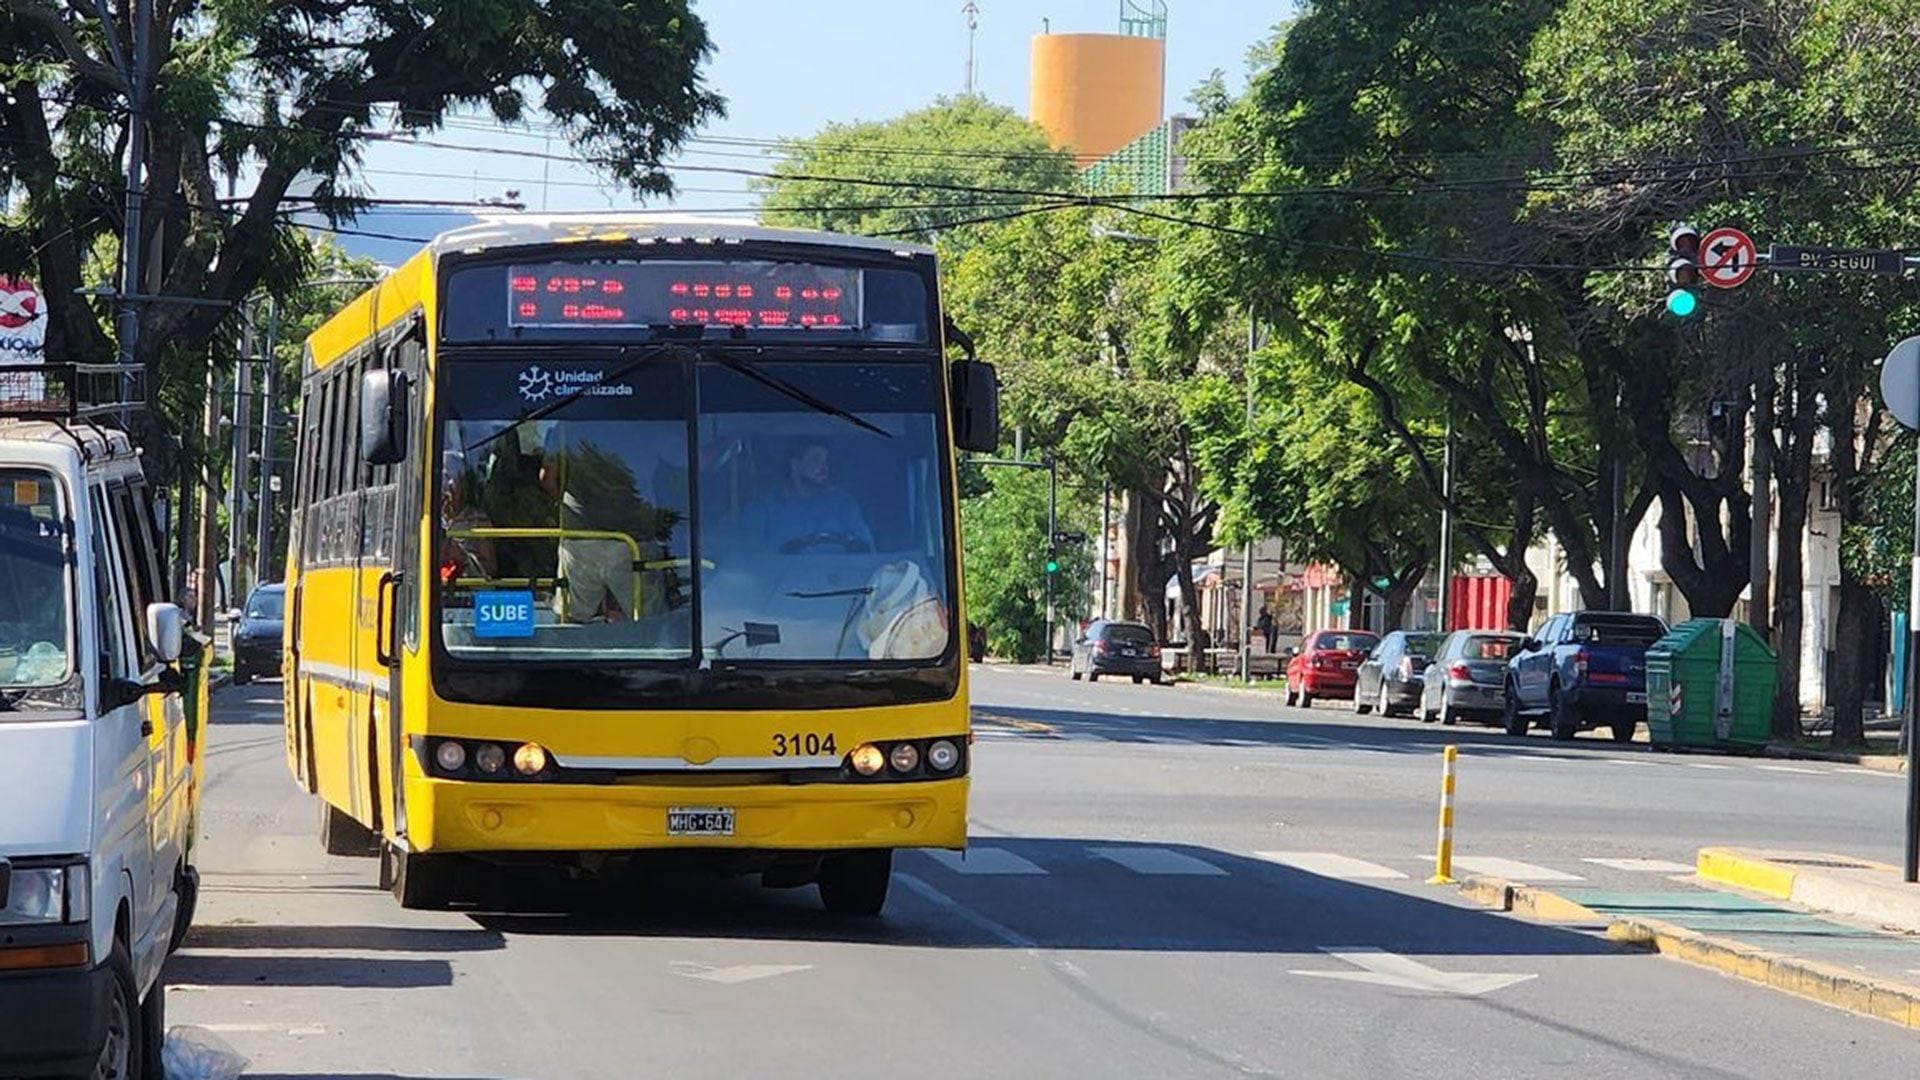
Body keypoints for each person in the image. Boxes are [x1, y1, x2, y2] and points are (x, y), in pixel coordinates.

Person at [741, 440, 875, 554]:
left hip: (844, 582)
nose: (824, 467)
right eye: (816, 459)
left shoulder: (844, 504)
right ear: (795, 465)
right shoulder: (764, 508)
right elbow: (750, 560)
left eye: (826, 461)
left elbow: (866, 551)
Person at [441, 452, 496, 580]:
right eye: (443, 480)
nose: (447, 489)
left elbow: (490, 574)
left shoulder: (478, 521)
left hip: (468, 593)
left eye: (452, 480)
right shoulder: (428, 519)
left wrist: (461, 556)